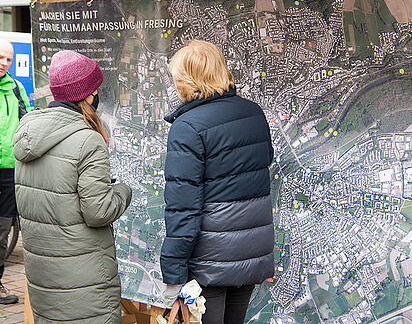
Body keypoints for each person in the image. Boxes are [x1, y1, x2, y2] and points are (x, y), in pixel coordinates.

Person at [13, 50, 132, 323]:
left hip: (44, 278)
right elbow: (98, 211)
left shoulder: (27, 134)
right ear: (87, 94)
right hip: (84, 283)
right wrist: (123, 191)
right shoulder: (88, 140)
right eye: (96, 89)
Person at [160, 40, 275, 324]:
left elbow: (182, 207)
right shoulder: (253, 113)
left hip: (209, 258)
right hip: (251, 250)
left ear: (187, 80)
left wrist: (174, 275)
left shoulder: (187, 128)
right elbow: (265, 160)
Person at [0, 38, 30, 305]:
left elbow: (27, 125)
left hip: (9, 171)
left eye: (8, 59)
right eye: (0, 57)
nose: (4, 63)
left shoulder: (16, 89)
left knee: (2, 228)